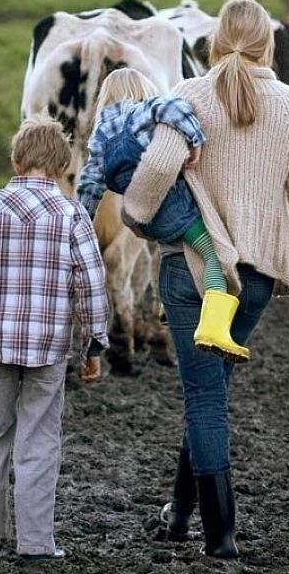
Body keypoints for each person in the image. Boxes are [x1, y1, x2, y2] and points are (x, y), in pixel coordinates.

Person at [123, 0, 289, 559]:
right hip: (257, 280)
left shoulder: (190, 96)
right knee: (210, 390)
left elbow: (157, 168)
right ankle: (178, 516)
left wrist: (135, 214)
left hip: (192, 273)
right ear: (269, 45)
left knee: (204, 398)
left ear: (214, 43)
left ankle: (220, 537)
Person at [0, 114, 110, 565]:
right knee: (40, 439)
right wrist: (95, 343)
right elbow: (91, 283)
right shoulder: (72, 213)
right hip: (48, 349)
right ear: (61, 164)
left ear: (17, 159)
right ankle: (35, 543)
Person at [76, 68, 246, 363]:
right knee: (213, 255)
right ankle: (214, 328)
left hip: (143, 218)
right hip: (171, 204)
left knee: (177, 250)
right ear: (141, 89)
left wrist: (80, 221)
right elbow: (173, 106)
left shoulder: (100, 133)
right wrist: (195, 140)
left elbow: (90, 183)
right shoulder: (142, 110)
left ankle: (170, 307)